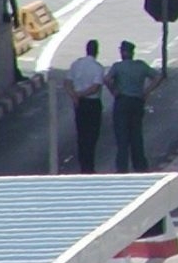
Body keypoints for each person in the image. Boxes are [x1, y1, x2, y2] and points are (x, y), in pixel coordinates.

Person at [106, 39, 163, 173]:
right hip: (137, 101)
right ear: (132, 52)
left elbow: (107, 79)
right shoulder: (140, 66)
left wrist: (114, 90)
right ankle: (140, 166)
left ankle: (122, 168)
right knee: (136, 134)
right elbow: (158, 77)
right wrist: (146, 91)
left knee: (122, 137)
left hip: (122, 101)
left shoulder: (117, 67)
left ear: (122, 52)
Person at [65, 38, 106, 174]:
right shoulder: (97, 68)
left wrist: (74, 96)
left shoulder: (76, 64)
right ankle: (89, 166)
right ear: (97, 52)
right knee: (92, 136)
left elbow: (67, 82)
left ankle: (83, 165)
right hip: (92, 104)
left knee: (81, 135)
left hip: (80, 104)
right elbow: (95, 87)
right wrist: (82, 94)